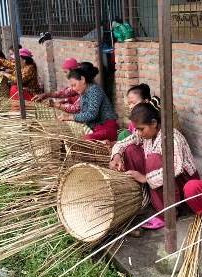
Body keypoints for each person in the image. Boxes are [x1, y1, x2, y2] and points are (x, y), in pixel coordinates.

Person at [109, 101, 200, 229]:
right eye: (137, 129)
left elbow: (174, 169)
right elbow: (121, 143)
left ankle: (167, 213)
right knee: (130, 150)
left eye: (141, 129)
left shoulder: (172, 138)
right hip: (162, 181)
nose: (138, 133)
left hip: (182, 182)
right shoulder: (146, 133)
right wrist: (116, 156)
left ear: (154, 123)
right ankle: (148, 197)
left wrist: (145, 178)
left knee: (153, 160)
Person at [58, 68, 118, 142]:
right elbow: (83, 113)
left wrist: (71, 117)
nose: (73, 89)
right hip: (96, 129)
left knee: (85, 140)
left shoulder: (94, 90)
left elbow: (91, 114)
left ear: (83, 79)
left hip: (107, 128)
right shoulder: (83, 93)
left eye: (74, 85)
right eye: (72, 86)